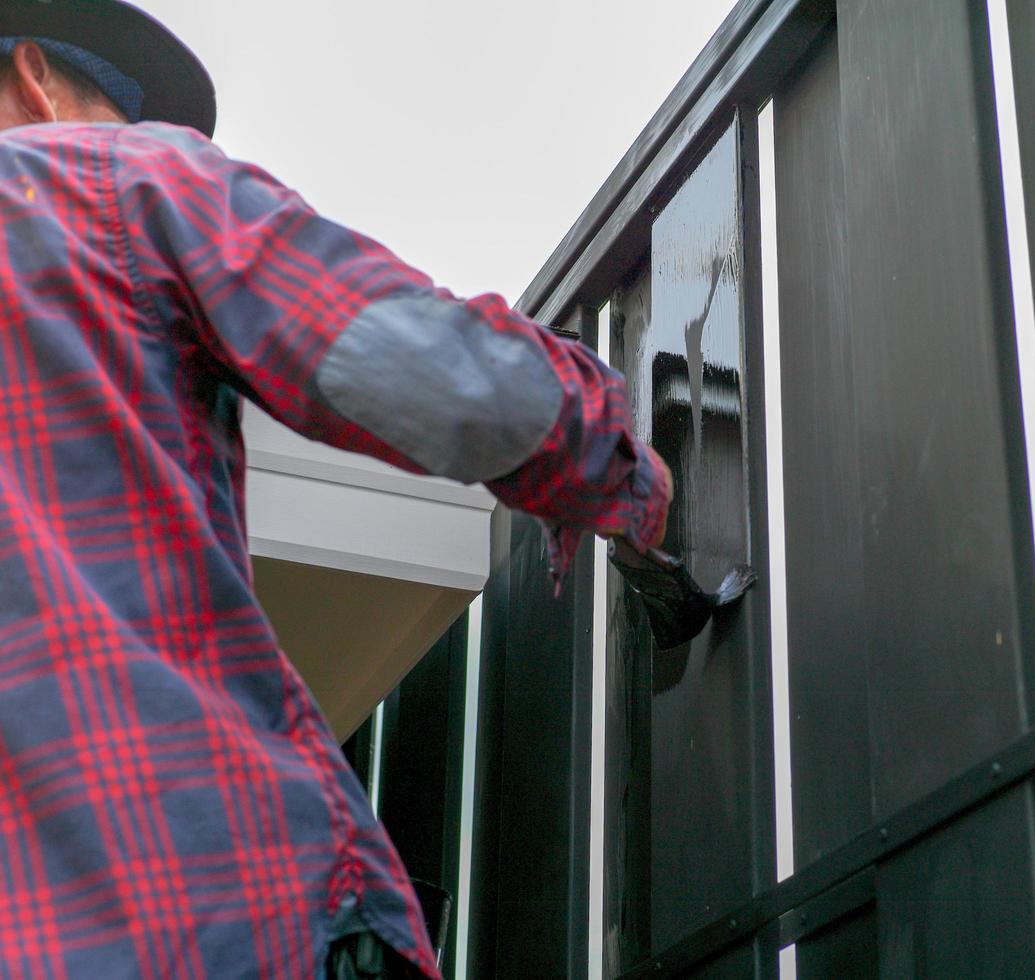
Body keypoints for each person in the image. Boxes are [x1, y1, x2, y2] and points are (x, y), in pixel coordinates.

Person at [0, 2, 671, 977]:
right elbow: (410, 362)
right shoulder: (102, 181)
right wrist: (626, 466)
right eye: (124, 113)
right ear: (38, 81)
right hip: (206, 913)